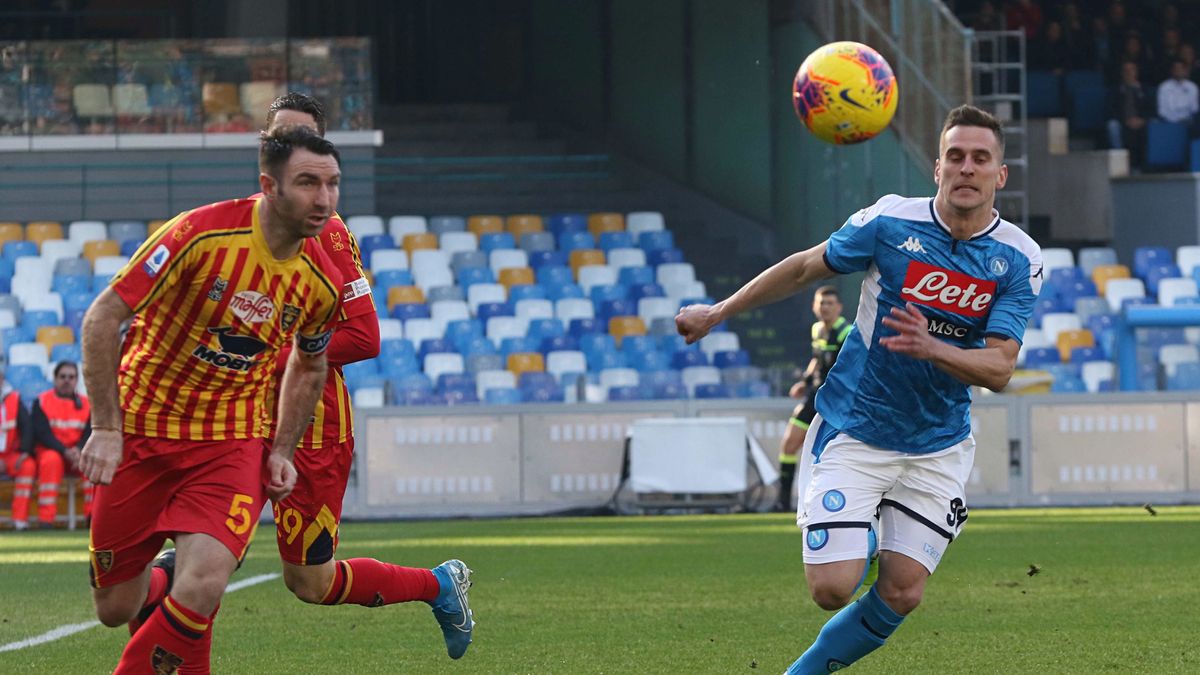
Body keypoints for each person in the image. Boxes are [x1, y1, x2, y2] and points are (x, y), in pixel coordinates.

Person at [676, 105, 1042, 673]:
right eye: (954, 157)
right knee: (831, 587)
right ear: (938, 168)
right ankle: (861, 530)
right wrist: (717, 313)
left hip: (938, 444)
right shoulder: (890, 222)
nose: (966, 168)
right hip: (857, 428)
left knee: (903, 593)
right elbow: (803, 269)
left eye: (980, 158)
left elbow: (999, 369)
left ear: (1000, 174)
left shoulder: (1018, 257)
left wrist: (933, 348)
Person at [79, 125, 345, 674]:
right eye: (308, 184)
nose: (324, 200)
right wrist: (106, 427)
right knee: (115, 607)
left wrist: (282, 449)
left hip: (228, 443)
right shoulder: (197, 234)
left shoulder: (323, 278)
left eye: (332, 184)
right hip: (142, 434)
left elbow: (311, 362)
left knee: (204, 584)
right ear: (268, 185)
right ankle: (155, 582)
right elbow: (103, 317)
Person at [263, 92, 475, 659]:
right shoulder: (240, 222)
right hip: (242, 411)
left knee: (309, 582)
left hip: (312, 424)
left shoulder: (327, 233)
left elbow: (364, 337)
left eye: (305, 140)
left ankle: (437, 586)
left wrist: (275, 355)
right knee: (204, 543)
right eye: (281, 140)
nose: (292, 151)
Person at [776, 286, 851, 513]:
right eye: (821, 303)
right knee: (789, 444)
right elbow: (817, 360)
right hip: (814, 397)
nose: (825, 307)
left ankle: (833, 504)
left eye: (830, 303)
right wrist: (805, 381)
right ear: (814, 306)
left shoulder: (847, 332)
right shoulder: (817, 329)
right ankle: (783, 502)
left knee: (834, 455)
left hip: (837, 402)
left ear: (839, 307)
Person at [30, 361, 92, 528]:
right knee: (51, 460)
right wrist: (65, 451)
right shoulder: (42, 401)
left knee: (92, 461)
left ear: (76, 380)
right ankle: (46, 520)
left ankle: (92, 518)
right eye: (62, 376)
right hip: (52, 452)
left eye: (71, 377)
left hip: (79, 454)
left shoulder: (88, 404)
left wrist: (78, 450)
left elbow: (89, 432)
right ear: (55, 379)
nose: (67, 380)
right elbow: (42, 433)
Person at [0, 365, 35, 530]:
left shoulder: (13, 399)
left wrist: (25, 451)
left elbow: (27, 426)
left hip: (10, 454)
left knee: (27, 465)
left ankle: (19, 520)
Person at [1107, 61, 1153, 169]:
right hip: (1123, 122)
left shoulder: (1145, 90)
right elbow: (1110, 110)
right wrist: (1126, 120)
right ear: (1122, 73)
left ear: (1136, 72)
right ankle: (1119, 162)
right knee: (1112, 126)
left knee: (1154, 124)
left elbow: (1152, 109)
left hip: (1141, 122)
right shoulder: (1115, 91)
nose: (1128, 73)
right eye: (1125, 71)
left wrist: (1142, 120)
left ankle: (1145, 166)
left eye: (1131, 70)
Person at [1157, 59, 1200, 133]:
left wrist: (1186, 120)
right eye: (1176, 68)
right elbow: (1162, 111)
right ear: (1172, 71)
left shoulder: (1192, 87)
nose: (1178, 71)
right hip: (1169, 123)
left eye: (1181, 68)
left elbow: (1194, 109)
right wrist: (1175, 121)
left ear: (1185, 70)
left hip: (1189, 124)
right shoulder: (1164, 87)